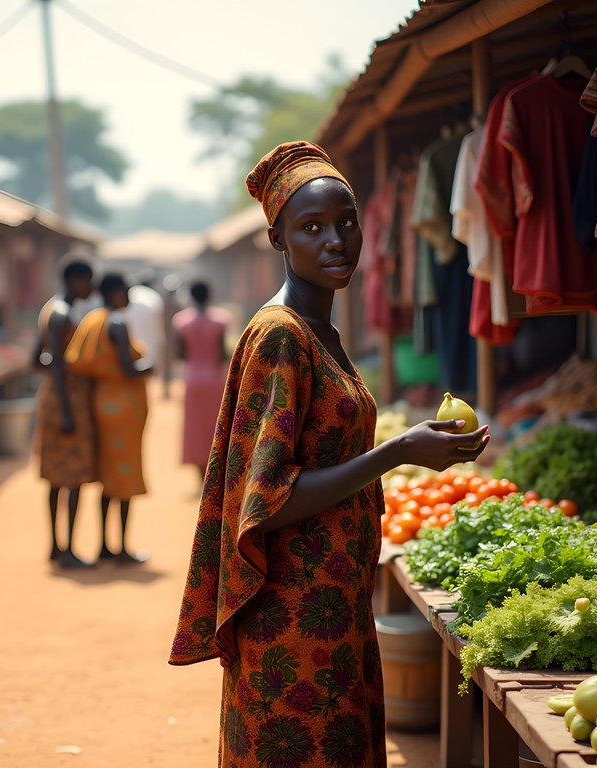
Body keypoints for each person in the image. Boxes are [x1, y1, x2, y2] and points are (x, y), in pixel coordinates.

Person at [168, 141, 489, 767]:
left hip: (334, 608)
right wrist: (398, 450)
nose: (336, 240)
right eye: (311, 227)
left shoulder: (322, 332)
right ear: (277, 240)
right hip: (292, 622)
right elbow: (269, 499)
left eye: (346, 222)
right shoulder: (282, 336)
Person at [65, 272, 152, 565]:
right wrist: (148, 365)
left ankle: (104, 544)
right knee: (124, 475)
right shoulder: (116, 321)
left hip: (102, 400)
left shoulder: (92, 319)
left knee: (108, 477)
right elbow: (129, 370)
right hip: (123, 406)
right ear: (115, 292)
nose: (127, 297)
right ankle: (122, 547)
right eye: (125, 291)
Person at [32, 257, 97, 568]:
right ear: (76, 280)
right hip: (66, 400)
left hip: (56, 397)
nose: (91, 287)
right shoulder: (62, 314)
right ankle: (67, 548)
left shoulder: (51, 309)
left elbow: (37, 360)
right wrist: (67, 410)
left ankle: (56, 545)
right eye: (88, 280)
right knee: (72, 476)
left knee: (56, 478)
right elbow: (55, 365)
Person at [172, 280, 231, 482]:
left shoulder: (181, 321)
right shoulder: (221, 320)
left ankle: (201, 477)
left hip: (193, 378)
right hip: (215, 377)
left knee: (195, 426)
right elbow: (223, 354)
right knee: (216, 424)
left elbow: (180, 354)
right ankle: (216, 472)